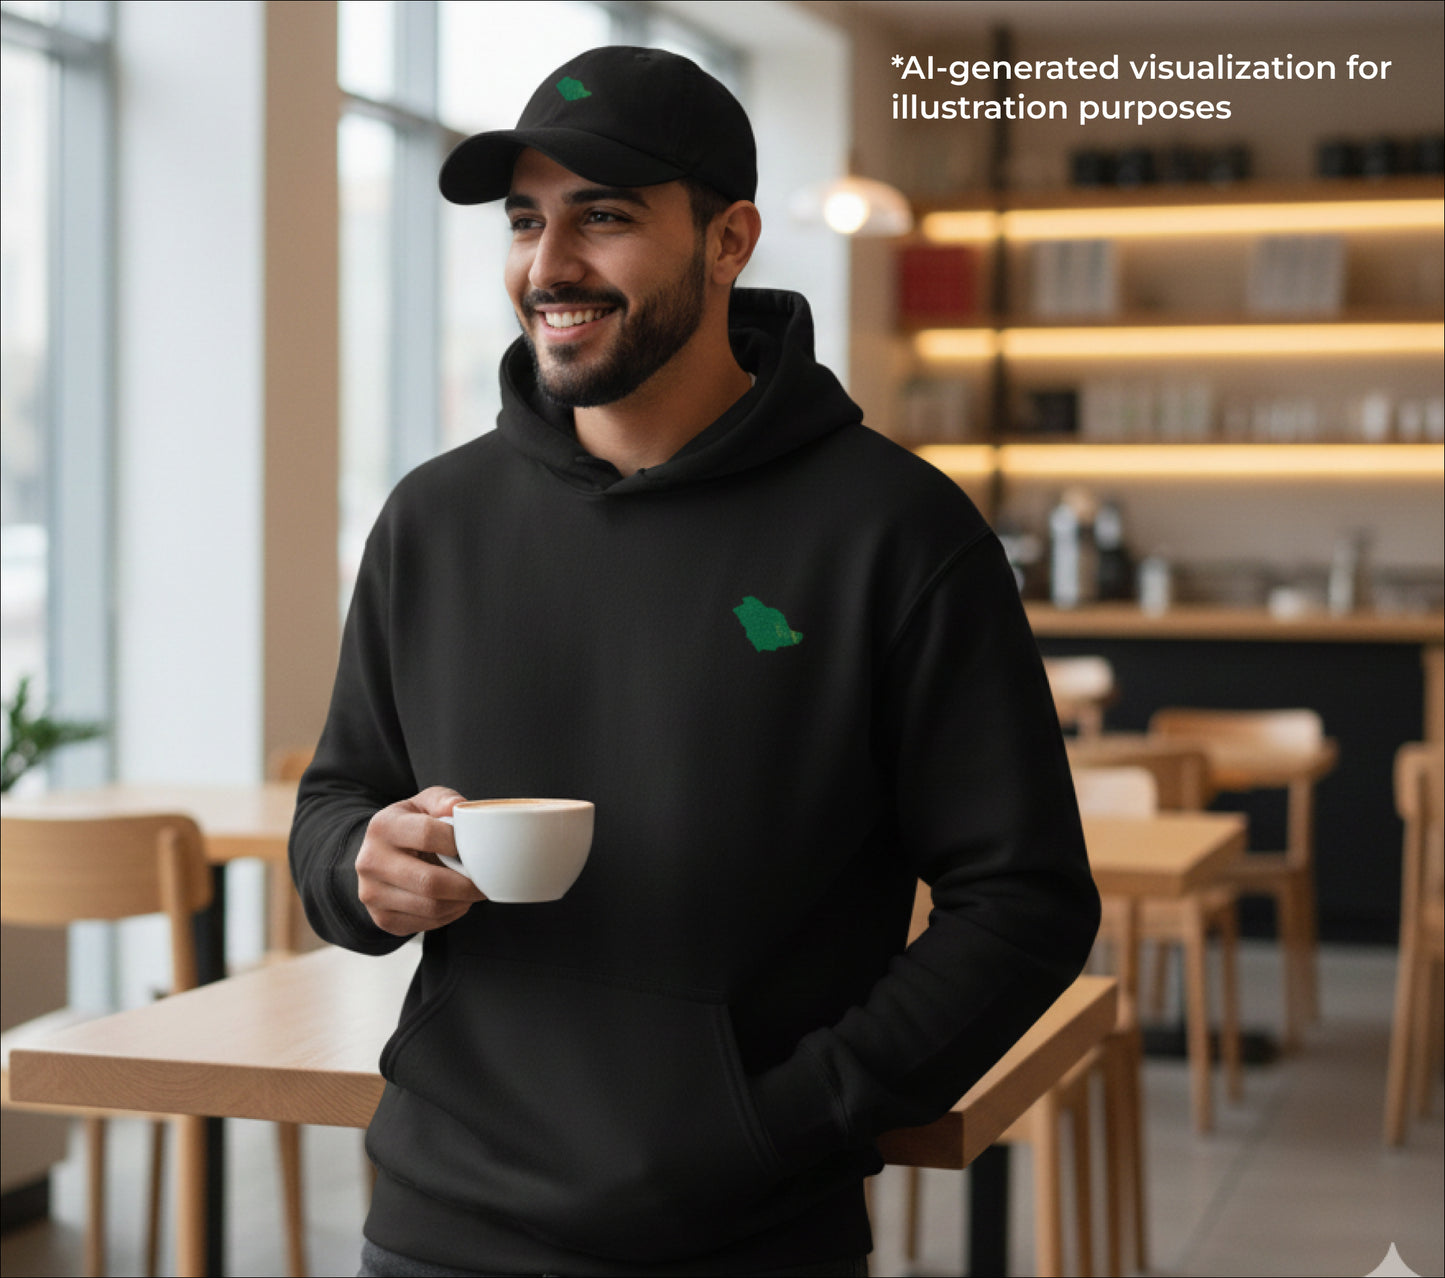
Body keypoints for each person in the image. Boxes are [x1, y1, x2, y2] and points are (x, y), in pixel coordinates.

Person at [290, 45, 1099, 1278]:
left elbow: (1026, 904)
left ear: (728, 242)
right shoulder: (431, 521)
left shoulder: (895, 532)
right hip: (435, 1223)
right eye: (525, 221)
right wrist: (363, 866)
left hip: (743, 1236)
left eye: (602, 218)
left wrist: (786, 1123)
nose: (547, 267)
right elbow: (335, 805)